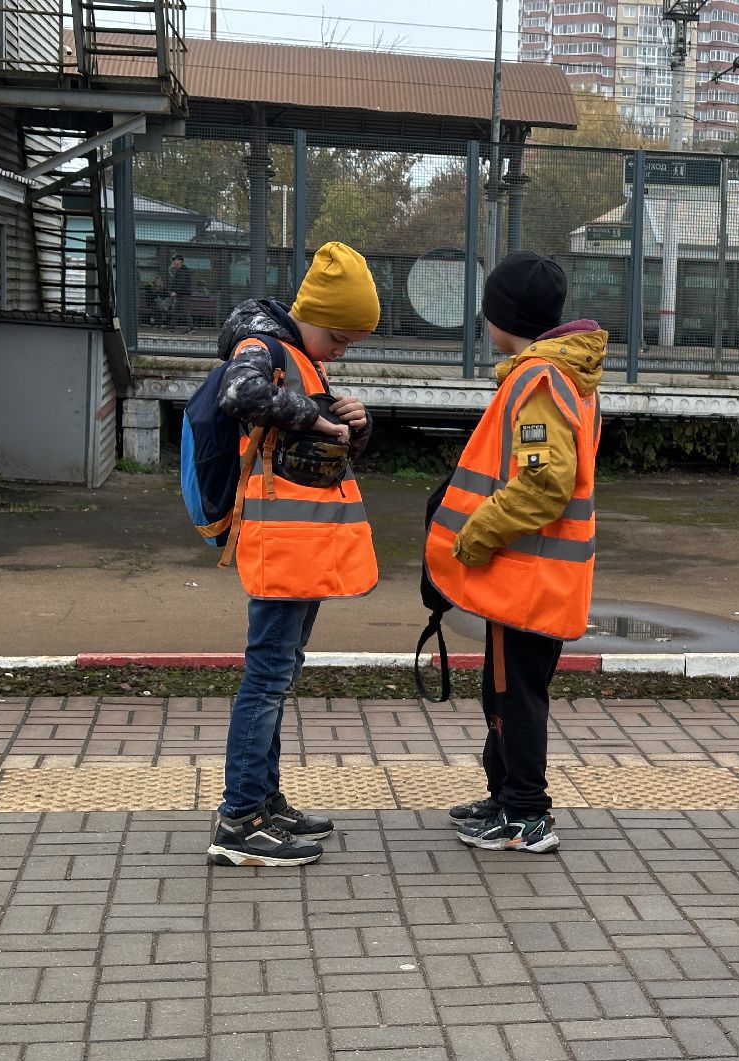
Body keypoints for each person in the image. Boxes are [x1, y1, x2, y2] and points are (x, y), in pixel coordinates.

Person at [205, 241, 381, 868]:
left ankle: (264, 801)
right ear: (313, 316)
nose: (342, 350)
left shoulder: (302, 359)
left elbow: (309, 448)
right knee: (266, 678)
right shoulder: (262, 347)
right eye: (340, 337)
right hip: (280, 547)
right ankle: (240, 819)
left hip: (303, 547)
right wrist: (317, 417)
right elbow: (240, 396)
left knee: (277, 675)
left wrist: (351, 421)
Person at [424, 251, 606, 854]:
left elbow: (544, 482)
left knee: (512, 695)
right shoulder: (561, 377)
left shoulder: (538, 380)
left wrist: (475, 535)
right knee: (509, 689)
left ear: (505, 316)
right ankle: (505, 795)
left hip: (525, 573)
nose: (484, 321)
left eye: (488, 311)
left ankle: (525, 813)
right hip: (541, 571)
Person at [166, 253, 193, 327]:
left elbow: (180, 283)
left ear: (180, 261)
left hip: (184, 295)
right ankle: (171, 327)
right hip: (181, 294)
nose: (174, 262)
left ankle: (191, 328)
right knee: (176, 312)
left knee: (185, 312)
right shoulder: (180, 270)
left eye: (175, 260)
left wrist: (175, 292)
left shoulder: (182, 271)